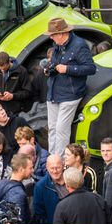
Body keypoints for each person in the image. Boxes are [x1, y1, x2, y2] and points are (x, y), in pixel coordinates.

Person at [43, 18, 95, 156]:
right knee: (52, 128)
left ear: (60, 33)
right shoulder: (57, 45)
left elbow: (90, 68)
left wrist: (68, 69)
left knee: (61, 129)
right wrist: (50, 69)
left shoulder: (79, 45)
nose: (51, 38)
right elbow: (55, 63)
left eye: (52, 35)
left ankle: (59, 162)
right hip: (54, 92)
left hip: (71, 94)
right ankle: (51, 159)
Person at [0, 52, 32, 116]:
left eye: (5, 69)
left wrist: (13, 96)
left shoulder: (21, 71)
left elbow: (28, 92)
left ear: (9, 62)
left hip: (16, 111)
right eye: (0, 69)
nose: (2, 71)